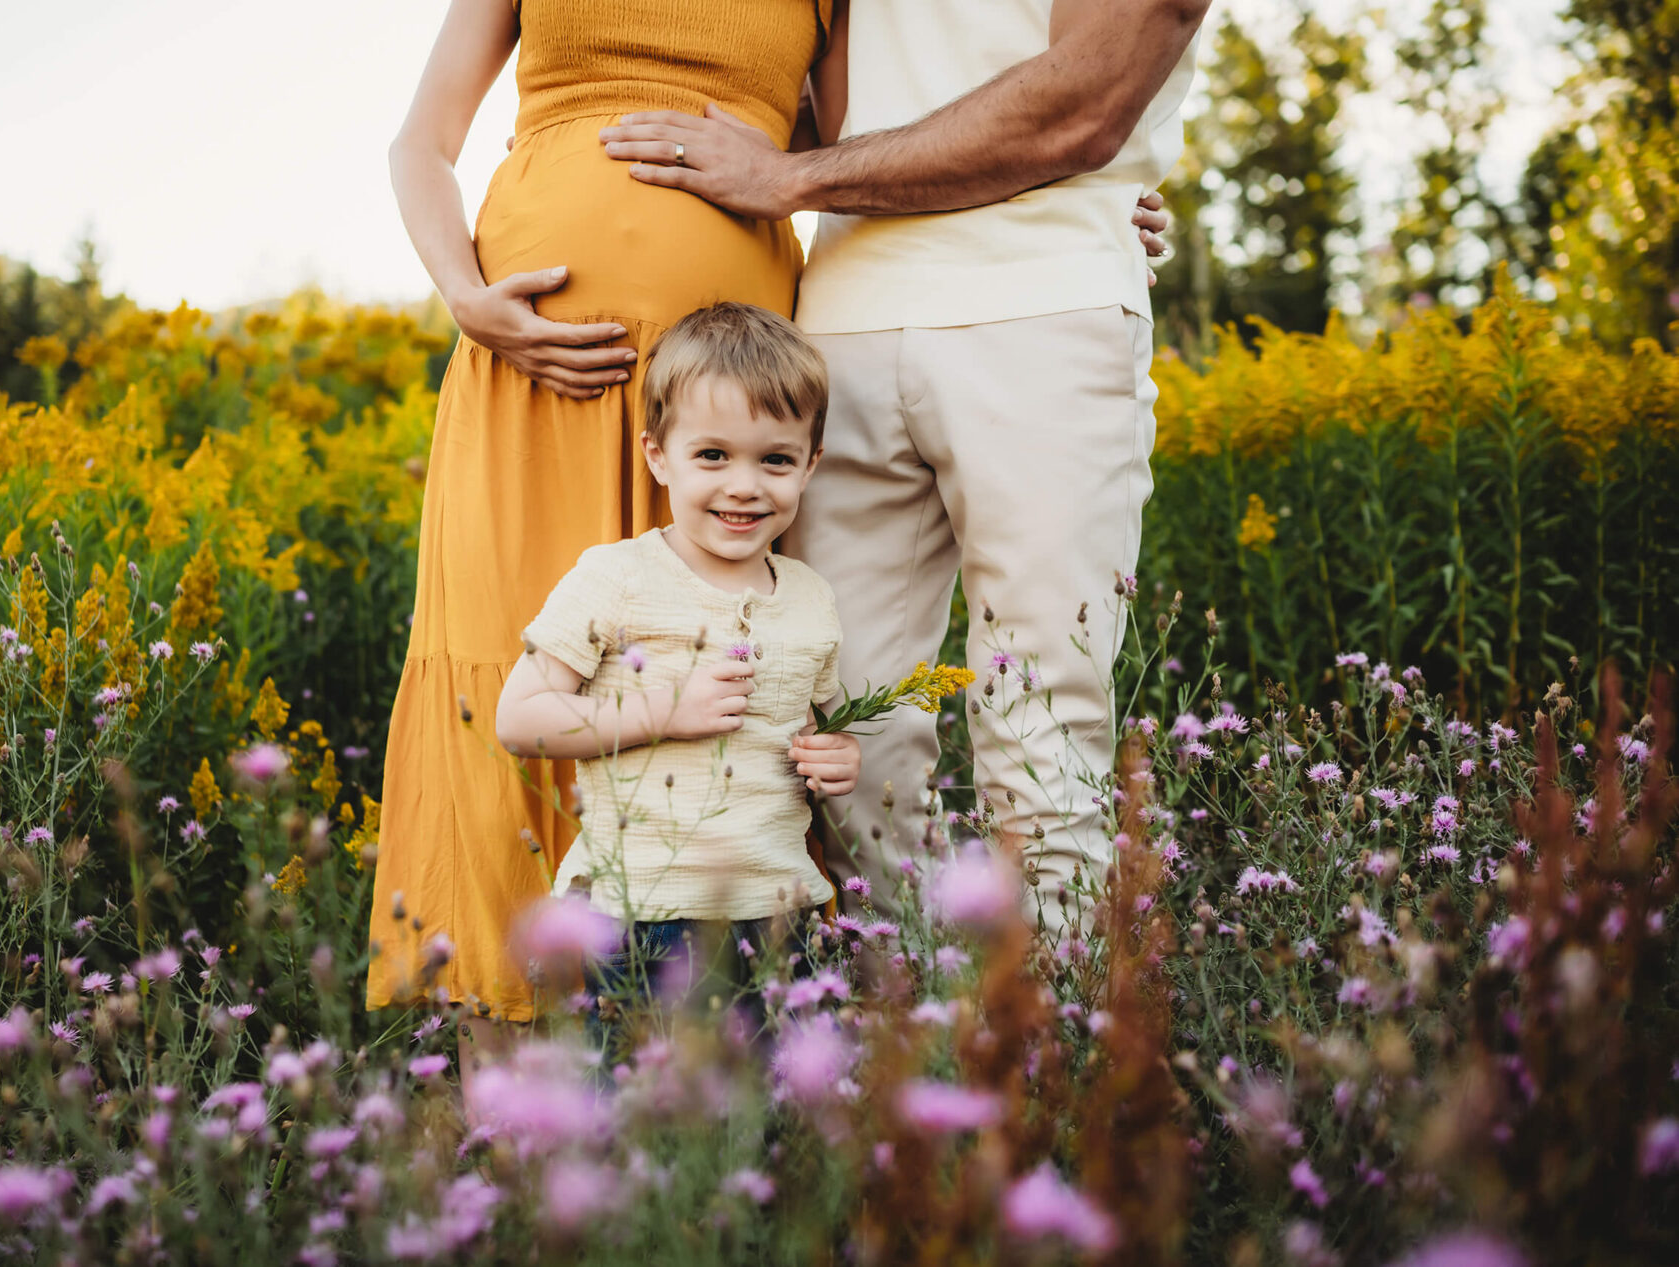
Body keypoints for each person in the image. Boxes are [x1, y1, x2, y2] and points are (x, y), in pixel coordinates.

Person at [597, 0, 1212, 932]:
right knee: (839, 735)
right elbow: (808, 90)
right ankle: (907, 1037)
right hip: (842, 319)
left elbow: (1084, 108)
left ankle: (1053, 1054)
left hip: (1043, 307)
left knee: (1042, 725)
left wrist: (795, 178)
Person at [365, 1, 845, 1056]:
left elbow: (863, 148)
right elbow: (421, 143)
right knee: (511, 670)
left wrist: (1103, 189)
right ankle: (508, 1085)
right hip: (528, 371)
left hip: (727, 405)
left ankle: (694, 1057)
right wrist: (465, 295)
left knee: (708, 678)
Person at [494, 302, 858, 1053]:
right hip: (642, 915)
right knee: (645, 1126)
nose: (745, 486)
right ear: (659, 456)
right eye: (713, 456)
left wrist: (837, 757)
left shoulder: (810, 596)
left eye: (776, 460)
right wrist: (662, 710)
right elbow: (519, 716)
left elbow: (823, 724)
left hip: (779, 911)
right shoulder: (618, 577)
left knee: (770, 1131)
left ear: (811, 465)